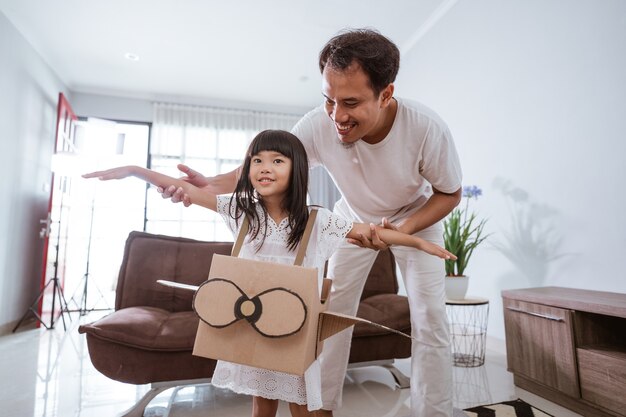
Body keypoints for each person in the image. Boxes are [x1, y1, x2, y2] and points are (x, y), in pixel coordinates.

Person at [160, 28, 462, 417]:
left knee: (430, 317)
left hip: (414, 218)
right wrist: (209, 183)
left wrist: (402, 231)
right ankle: (323, 408)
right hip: (351, 215)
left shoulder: (426, 129)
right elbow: (268, 164)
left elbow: (449, 192)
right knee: (328, 315)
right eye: (329, 100)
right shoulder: (319, 124)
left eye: (351, 102)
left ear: (386, 94)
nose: (337, 115)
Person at [83, 129, 456, 417]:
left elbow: (368, 233)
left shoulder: (318, 220)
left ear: (297, 168)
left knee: (301, 403)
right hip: (250, 325)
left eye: (277, 160)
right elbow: (179, 187)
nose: (265, 167)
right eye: (257, 160)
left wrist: (420, 243)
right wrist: (134, 171)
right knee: (261, 402)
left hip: (295, 325)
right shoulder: (240, 211)